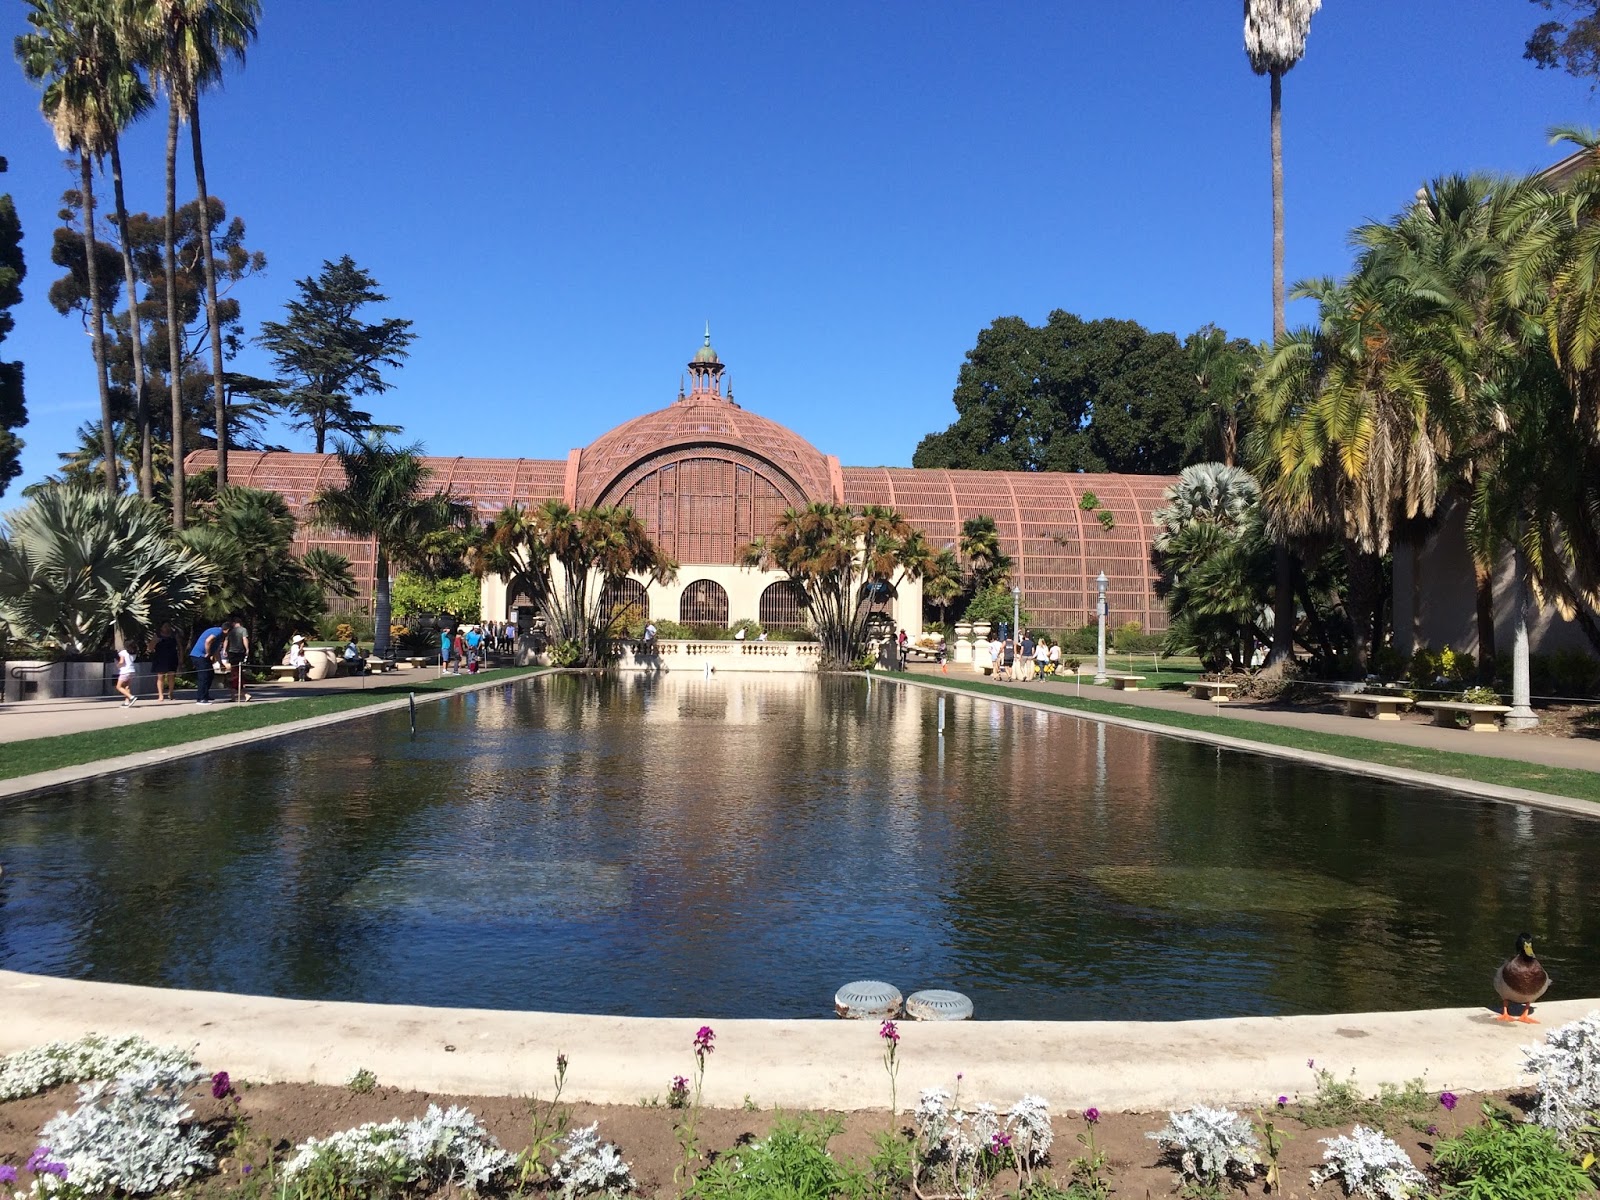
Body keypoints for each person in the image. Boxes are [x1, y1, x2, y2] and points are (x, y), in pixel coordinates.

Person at [190, 618, 228, 704]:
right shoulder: (218, 632)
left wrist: (220, 663)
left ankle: (205, 695)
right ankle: (201, 698)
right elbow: (208, 641)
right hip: (199, 656)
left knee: (210, 675)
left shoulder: (219, 635)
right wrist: (208, 653)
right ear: (227, 630)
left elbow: (216, 651)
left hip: (204, 657)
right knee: (204, 677)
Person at [225, 612, 251, 701]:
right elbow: (244, 639)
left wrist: (224, 650)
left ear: (234, 623)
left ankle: (237, 694)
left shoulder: (230, 631)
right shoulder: (243, 630)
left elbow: (226, 640)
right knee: (237, 671)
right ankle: (235, 695)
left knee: (234, 672)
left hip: (231, 652)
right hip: (240, 652)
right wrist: (247, 649)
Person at [150, 622, 178, 702]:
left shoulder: (174, 635)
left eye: (168, 626)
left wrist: (181, 658)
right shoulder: (157, 636)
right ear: (161, 627)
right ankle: (160, 695)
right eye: (165, 626)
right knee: (160, 676)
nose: (167, 628)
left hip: (172, 657)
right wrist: (155, 641)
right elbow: (150, 648)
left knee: (171, 676)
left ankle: (171, 693)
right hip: (160, 658)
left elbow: (179, 647)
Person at [114, 642, 138, 707]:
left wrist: (118, 665)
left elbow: (121, 662)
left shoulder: (123, 652)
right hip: (132, 671)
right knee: (127, 686)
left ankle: (131, 697)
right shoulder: (134, 653)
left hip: (125, 671)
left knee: (118, 686)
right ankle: (127, 702)